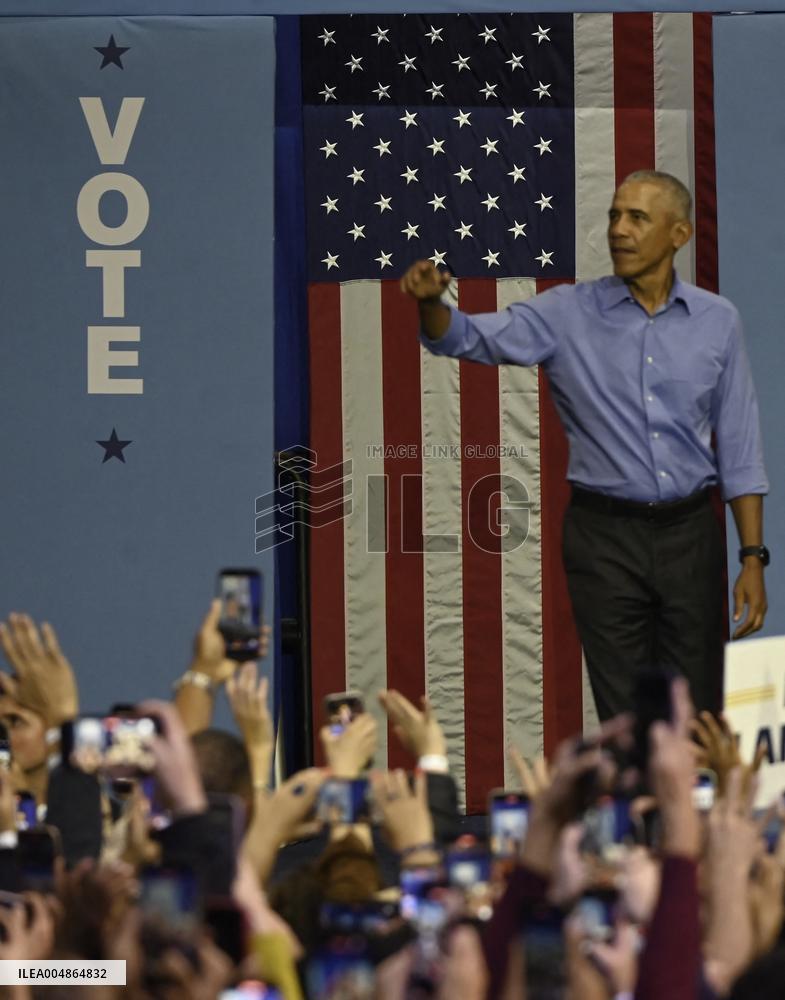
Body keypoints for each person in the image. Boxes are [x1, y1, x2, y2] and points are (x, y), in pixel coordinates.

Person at [401, 170, 769, 720]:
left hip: (691, 536)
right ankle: (638, 807)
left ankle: (691, 808)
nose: (618, 230)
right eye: (614, 216)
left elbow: (739, 448)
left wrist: (752, 558)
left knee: (697, 713)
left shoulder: (718, 322)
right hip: (604, 540)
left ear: (679, 234)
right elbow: (467, 336)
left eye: (637, 218)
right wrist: (431, 305)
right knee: (626, 718)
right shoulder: (566, 313)